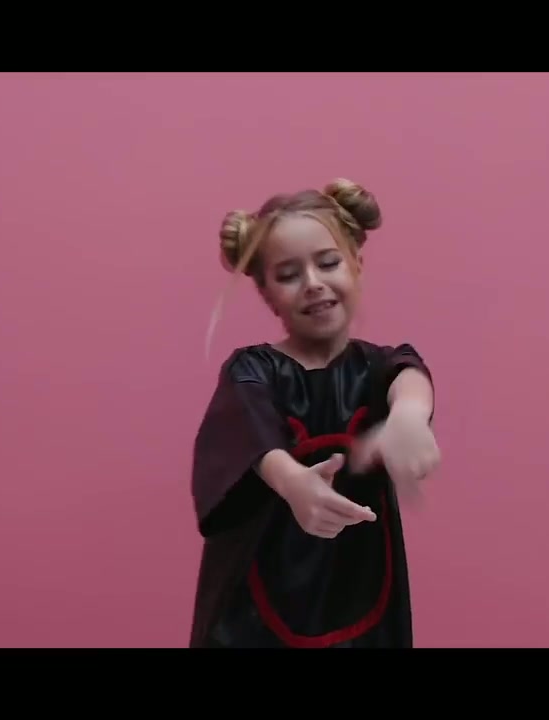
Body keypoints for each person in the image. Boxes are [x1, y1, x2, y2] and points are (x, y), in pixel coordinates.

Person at [189, 178, 440, 648]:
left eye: (328, 263)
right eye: (288, 274)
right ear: (267, 293)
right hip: (258, 609)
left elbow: (409, 377)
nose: (313, 284)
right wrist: (293, 482)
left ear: (357, 264)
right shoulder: (254, 370)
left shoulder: (379, 367)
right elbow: (251, 435)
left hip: (361, 595)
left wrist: (408, 417)